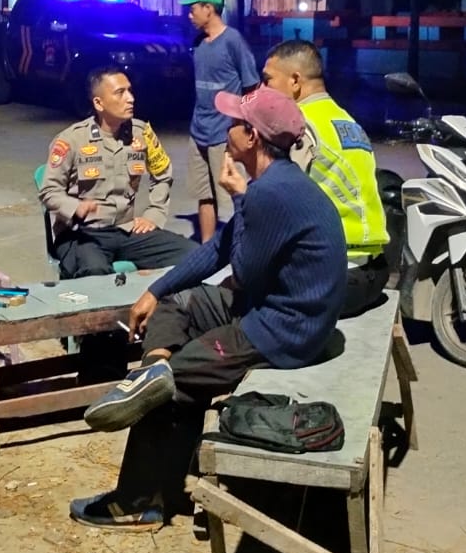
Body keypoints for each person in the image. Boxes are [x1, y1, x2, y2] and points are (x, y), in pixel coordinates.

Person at [69, 86, 347, 528]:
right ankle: (153, 371)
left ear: (252, 138)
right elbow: (219, 248)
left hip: (285, 330)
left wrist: (238, 198)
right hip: (270, 308)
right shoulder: (276, 183)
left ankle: (136, 502)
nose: (225, 128)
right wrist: (156, 290)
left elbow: (244, 271)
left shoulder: (270, 193)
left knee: (175, 383)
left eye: (235, 123)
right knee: (176, 303)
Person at [261, 40, 390, 316]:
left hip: (334, 280)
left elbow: (278, 204)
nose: (263, 89)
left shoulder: (300, 125)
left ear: (295, 81)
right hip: (375, 272)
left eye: (268, 80)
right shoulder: (346, 120)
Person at [39, 67, 197, 278]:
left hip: (126, 230)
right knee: (96, 272)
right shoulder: (71, 140)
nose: (130, 98)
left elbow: (163, 174)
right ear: (99, 103)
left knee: (193, 255)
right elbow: (49, 191)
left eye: (130, 91)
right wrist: (75, 207)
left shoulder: (141, 133)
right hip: (82, 234)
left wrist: (153, 214)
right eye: (120, 93)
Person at [185, 0, 261, 243]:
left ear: (209, 8)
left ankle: (243, 248)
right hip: (198, 131)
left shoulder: (233, 41)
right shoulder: (198, 43)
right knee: (204, 195)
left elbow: (252, 85)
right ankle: (207, 248)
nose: (190, 15)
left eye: (193, 9)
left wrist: (240, 126)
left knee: (231, 195)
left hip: (223, 133)